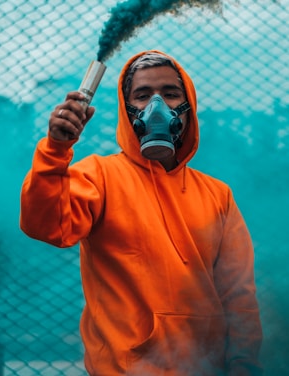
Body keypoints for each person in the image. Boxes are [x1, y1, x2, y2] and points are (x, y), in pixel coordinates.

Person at [20, 50, 263, 375]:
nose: (157, 106)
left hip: (205, 367)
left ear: (188, 105)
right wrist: (55, 150)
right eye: (143, 95)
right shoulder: (99, 176)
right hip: (123, 368)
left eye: (171, 94)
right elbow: (47, 227)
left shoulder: (218, 195)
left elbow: (239, 294)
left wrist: (244, 365)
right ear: (127, 108)